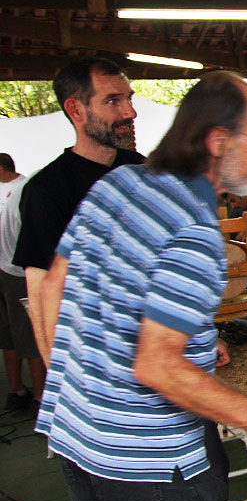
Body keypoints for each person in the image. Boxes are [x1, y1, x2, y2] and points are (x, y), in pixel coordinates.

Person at [35, 72, 247, 501]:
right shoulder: (193, 232)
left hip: (78, 433)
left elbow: (55, 286)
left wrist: (86, 387)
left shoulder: (120, 183)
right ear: (218, 141)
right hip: (153, 462)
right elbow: (157, 366)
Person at [13, 57, 146, 364]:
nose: (130, 112)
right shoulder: (46, 190)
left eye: (128, 98)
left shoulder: (143, 171)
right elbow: (41, 297)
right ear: (76, 110)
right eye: (113, 101)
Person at [0, 154, 45, 410]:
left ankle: (17, 391)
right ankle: (39, 398)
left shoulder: (24, 188)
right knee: (32, 336)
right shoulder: (35, 193)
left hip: (7, 267)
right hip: (19, 273)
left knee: (12, 336)